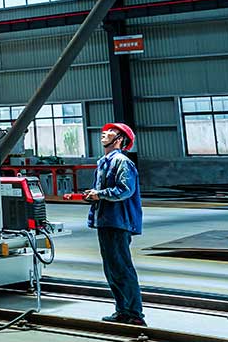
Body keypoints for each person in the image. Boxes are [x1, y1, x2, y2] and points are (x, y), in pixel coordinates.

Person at [84, 122, 145, 326]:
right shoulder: (104, 162)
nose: (105, 132)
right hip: (106, 221)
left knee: (121, 269)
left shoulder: (121, 162)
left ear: (120, 140)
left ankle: (134, 314)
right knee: (112, 270)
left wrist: (99, 194)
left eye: (111, 131)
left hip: (118, 222)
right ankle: (123, 311)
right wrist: (93, 196)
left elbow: (125, 190)